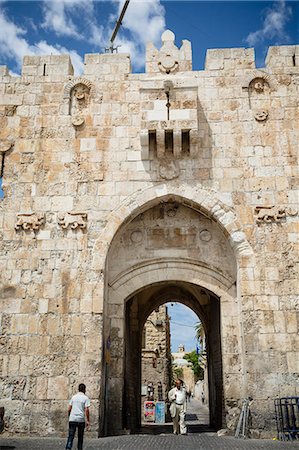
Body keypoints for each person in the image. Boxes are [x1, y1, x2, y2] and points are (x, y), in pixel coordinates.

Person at [65, 383, 90, 450]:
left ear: (78, 389)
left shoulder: (73, 397)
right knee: (80, 437)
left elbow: (69, 408)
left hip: (72, 419)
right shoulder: (85, 398)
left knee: (70, 436)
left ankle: (68, 448)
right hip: (80, 419)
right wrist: (88, 420)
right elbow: (87, 410)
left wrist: (69, 416)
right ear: (84, 389)